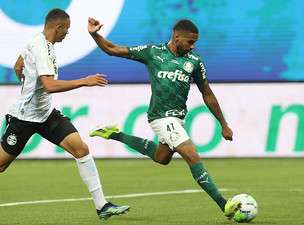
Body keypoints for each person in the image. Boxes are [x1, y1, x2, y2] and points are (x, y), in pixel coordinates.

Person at [0, 9, 130, 220]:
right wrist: (85, 80)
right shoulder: (42, 49)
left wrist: (28, 83)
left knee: (81, 149)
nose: (66, 34)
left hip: (46, 114)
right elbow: (49, 85)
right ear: (57, 27)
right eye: (66, 30)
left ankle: (102, 205)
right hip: (25, 118)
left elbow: (18, 66)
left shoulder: (35, 41)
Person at [87, 17, 240, 219]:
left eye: (195, 43)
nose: (193, 46)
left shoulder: (194, 62)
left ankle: (115, 134)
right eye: (190, 42)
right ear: (176, 37)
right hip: (160, 117)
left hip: (178, 118)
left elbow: (207, 94)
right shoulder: (153, 52)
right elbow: (113, 49)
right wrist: (94, 34)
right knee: (191, 155)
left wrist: (224, 124)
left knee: (162, 158)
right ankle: (225, 205)